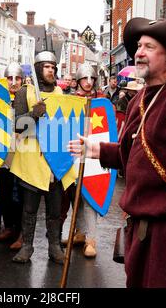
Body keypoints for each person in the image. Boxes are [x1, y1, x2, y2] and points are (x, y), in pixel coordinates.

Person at [68, 18, 166, 287]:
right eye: (139, 46)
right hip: (143, 227)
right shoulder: (139, 100)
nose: (138, 52)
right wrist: (100, 151)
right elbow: (136, 156)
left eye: (149, 47)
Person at [10, 51, 66, 264]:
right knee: (29, 208)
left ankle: (54, 246)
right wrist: (34, 114)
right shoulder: (26, 92)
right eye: (47, 66)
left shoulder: (62, 92)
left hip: (54, 160)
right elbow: (17, 125)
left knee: (54, 209)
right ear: (38, 69)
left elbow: (66, 126)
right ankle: (27, 246)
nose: (51, 70)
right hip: (31, 159)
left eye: (53, 67)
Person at [61, 64, 102, 258]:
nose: (88, 82)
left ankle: (91, 239)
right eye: (84, 78)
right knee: (73, 195)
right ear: (78, 81)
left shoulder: (102, 102)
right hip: (73, 152)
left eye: (91, 78)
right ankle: (79, 232)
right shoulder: (69, 100)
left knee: (90, 197)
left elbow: (105, 132)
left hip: (93, 155)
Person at [0, 62, 24, 249]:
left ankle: (20, 232)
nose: (13, 82)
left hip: (22, 153)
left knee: (19, 196)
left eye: (17, 78)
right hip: (2, 154)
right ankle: (8, 227)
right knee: (3, 193)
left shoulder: (27, 97)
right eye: (9, 78)